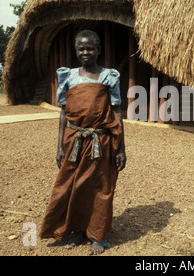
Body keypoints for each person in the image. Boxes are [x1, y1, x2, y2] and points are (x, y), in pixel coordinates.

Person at [39, 30, 126, 255]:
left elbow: (117, 111)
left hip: (101, 141)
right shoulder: (68, 76)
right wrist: (59, 146)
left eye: (90, 48)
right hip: (74, 140)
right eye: (81, 48)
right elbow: (63, 113)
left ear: (98, 50)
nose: (85, 52)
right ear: (75, 50)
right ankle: (77, 228)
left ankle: (97, 235)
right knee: (72, 185)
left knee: (101, 187)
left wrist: (121, 149)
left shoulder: (109, 77)